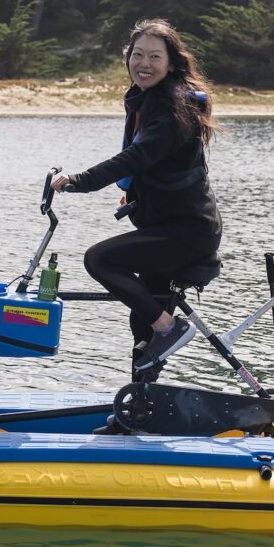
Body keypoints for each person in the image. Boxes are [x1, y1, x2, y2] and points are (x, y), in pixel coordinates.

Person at [51, 18, 221, 375]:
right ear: (128, 58)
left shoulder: (176, 109)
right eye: (137, 55)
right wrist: (136, 195)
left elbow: (137, 156)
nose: (144, 63)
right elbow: (154, 167)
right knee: (141, 324)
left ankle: (170, 327)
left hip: (186, 232)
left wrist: (79, 181)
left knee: (99, 260)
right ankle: (139, 408)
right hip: (165, 226)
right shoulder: (152, 99)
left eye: (154, 57)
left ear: (171, 63)